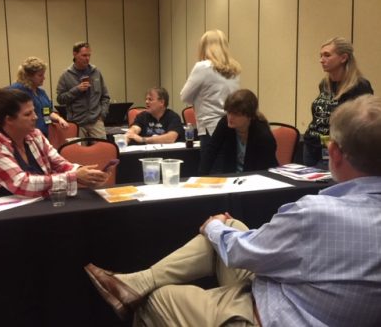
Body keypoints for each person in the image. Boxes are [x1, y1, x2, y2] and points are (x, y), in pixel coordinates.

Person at [85, 94, 381, 326]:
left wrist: (213, 227)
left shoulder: (315, 214)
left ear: (334, 152)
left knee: (158, 297)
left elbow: (244, 253)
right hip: (301, 295)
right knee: (232, 225)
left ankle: (139, 288)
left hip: (271, 313)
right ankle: (132, 283)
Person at [0, 87, 110, 198]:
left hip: (31, 203)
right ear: (9, 119)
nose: (35, 117)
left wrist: (86, 173)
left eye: (34, 112)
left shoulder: (35, 135)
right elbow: (21, 184)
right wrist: (74, 177)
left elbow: (60, 164)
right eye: (27, 114)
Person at [303, 37, 373, 167]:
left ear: (343, 58)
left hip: (337, 149)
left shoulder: (359, 86)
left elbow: (363, 122)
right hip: (312, 145)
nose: (321, 60)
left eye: (327, 55)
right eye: (321, 55)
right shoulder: (325, 84)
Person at [180, 29, 241, 156]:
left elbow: (184, 96)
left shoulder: (203, 67)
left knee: (212, 171)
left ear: (204, 47)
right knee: (227, 169)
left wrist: (199, 98)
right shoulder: (234, 69)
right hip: (232, 126)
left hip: (210, 128)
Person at [199, 89, 277, 175]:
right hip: (231, 178)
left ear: (249, 116)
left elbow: (262, 171)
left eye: (236, 114)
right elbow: (211, 151)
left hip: (256, 178)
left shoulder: (263, 136)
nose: (230, 117)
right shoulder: (225, 123)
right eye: (228, 112)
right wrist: (200, 178)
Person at [56, 42, 110, 139]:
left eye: (89, 55)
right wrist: (77, 90)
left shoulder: (96, 72)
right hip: (77, 123)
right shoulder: (66, 75)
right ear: (75, 54)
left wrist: (102, 114)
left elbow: (105, 96)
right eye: (84, 55)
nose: (87, 58)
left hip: (96, 121)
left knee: (102, 150)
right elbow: (60, 99)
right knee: (79, 152)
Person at [10, 56, 69, 137]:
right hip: (25, 136)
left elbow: (47, 113)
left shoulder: (41, 92)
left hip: (43, 135)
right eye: (40, 75)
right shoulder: (16, 91)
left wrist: (59, 119)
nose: (44, 78)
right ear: (29, 76)